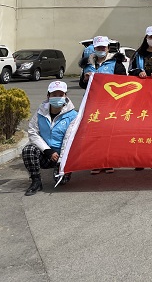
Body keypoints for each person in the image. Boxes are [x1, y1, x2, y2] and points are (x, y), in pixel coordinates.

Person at [80, 35, 127, 174]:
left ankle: (108, 162)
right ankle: (95, 162)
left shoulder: (115, 63)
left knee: (108, 133)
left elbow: (123, 82)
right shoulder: (87, 64)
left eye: (103, 47)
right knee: (93, 134)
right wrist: (85, 79)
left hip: (110, 104)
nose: (101, 50)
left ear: (108, 48)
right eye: (98, 47)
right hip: (92, 103)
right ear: (94, 48)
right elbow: (82, 84)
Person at [22, 81, 78, 196]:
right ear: (48, 96)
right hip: (46, 154)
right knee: (28, 150)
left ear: (65, 96)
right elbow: (32, 132)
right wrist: (47, 150)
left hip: (64, 155)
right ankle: (36, 182)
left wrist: (61, 160)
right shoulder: (40, 112)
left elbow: (69, 139)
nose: (57, 97)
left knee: (61, 182)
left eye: (61, 94)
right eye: (54, 94)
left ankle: (63, 169)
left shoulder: (73, 115)